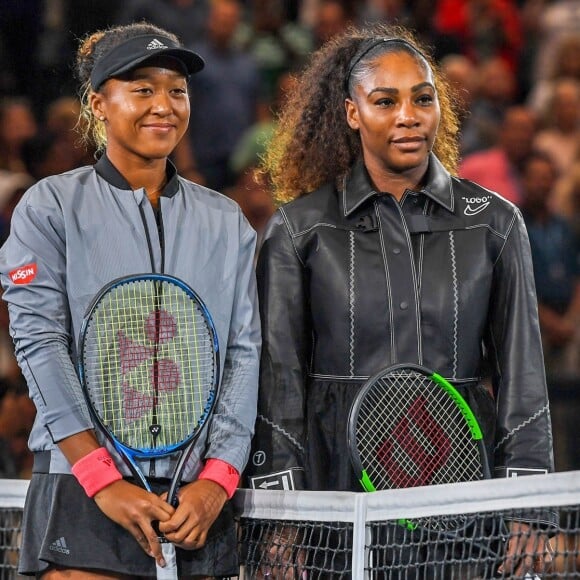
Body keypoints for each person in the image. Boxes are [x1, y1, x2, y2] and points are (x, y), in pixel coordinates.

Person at [244, 22, 556, 578]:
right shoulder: (298, 229)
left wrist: (527, 509)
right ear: (351, 113)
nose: (408, 115)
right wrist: (280, 518)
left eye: (422, 98)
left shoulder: (497, 225)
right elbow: (279, 382)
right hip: (333, 500)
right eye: (385, 101)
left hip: (463, 501)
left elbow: (522, 377)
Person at [0, 21, 260, 579]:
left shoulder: (226, 220)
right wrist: (102, 478)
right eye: (142, 89)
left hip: (195, 500)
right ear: (98, 104)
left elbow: (243, 354)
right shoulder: (49, 207)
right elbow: (40, 345)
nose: (163, 105)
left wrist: (218, 479)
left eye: (177, 91)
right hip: (83, 488)